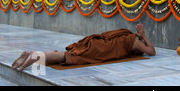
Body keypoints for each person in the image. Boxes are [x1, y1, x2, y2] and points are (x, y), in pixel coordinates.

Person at [11, 23, 155, 71]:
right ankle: (36, 56)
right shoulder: (134, 41)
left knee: (71, 54)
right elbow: (152, 52)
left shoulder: (126, 37)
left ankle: (31, 54)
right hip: (99, 50)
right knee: (69, 57)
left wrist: (141, 35)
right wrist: (143, 36)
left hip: (96, 43)